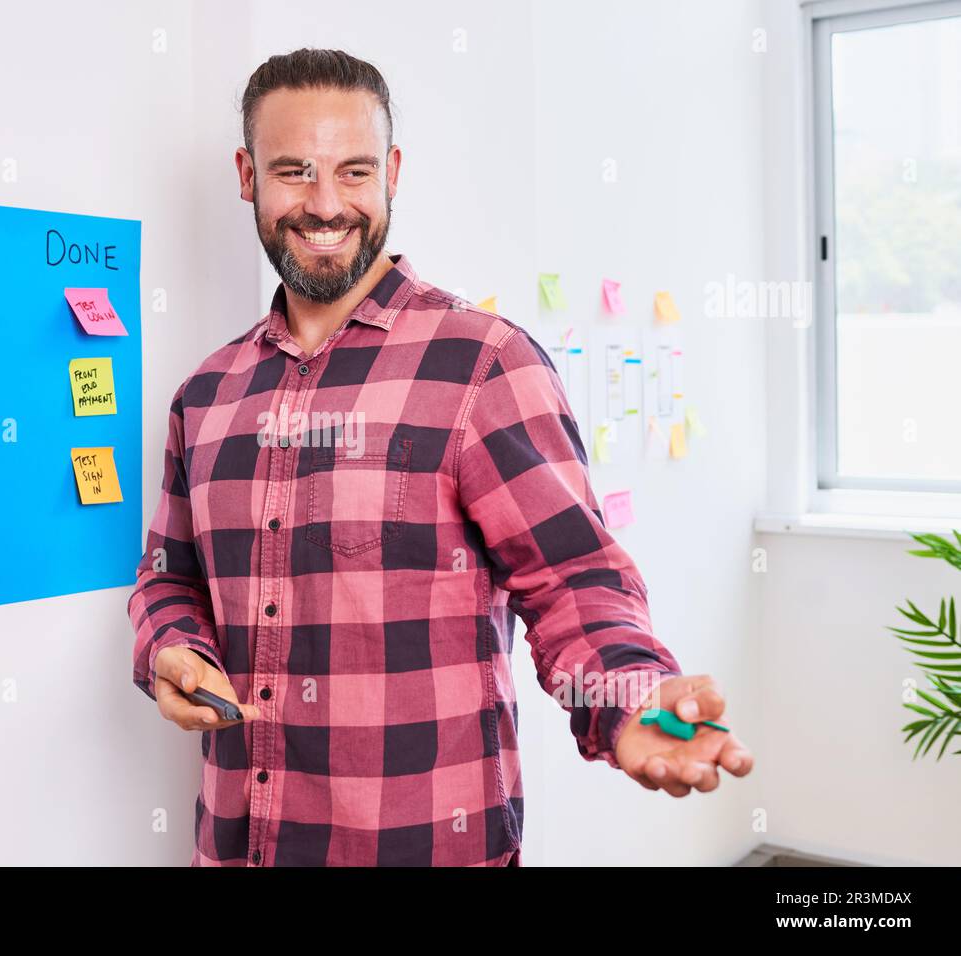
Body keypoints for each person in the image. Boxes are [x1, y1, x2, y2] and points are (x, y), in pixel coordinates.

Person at [128, 48, 753, 867]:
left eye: (353, 172)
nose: (325, 205)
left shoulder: (485, 365)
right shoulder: (205, 394)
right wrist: (169, 646)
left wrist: (628, 696)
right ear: (247, 175)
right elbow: (169, 576)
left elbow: (572, 582)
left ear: (391, 172)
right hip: (237, 846)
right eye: (294, 172)